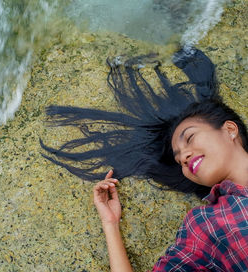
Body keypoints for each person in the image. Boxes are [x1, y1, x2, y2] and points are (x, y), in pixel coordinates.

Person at [41, 48, 248, 270]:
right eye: (179, 161)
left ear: (229, 129)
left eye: (190, 137)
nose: (184, 157)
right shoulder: (206, 225)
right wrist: (110, 224)